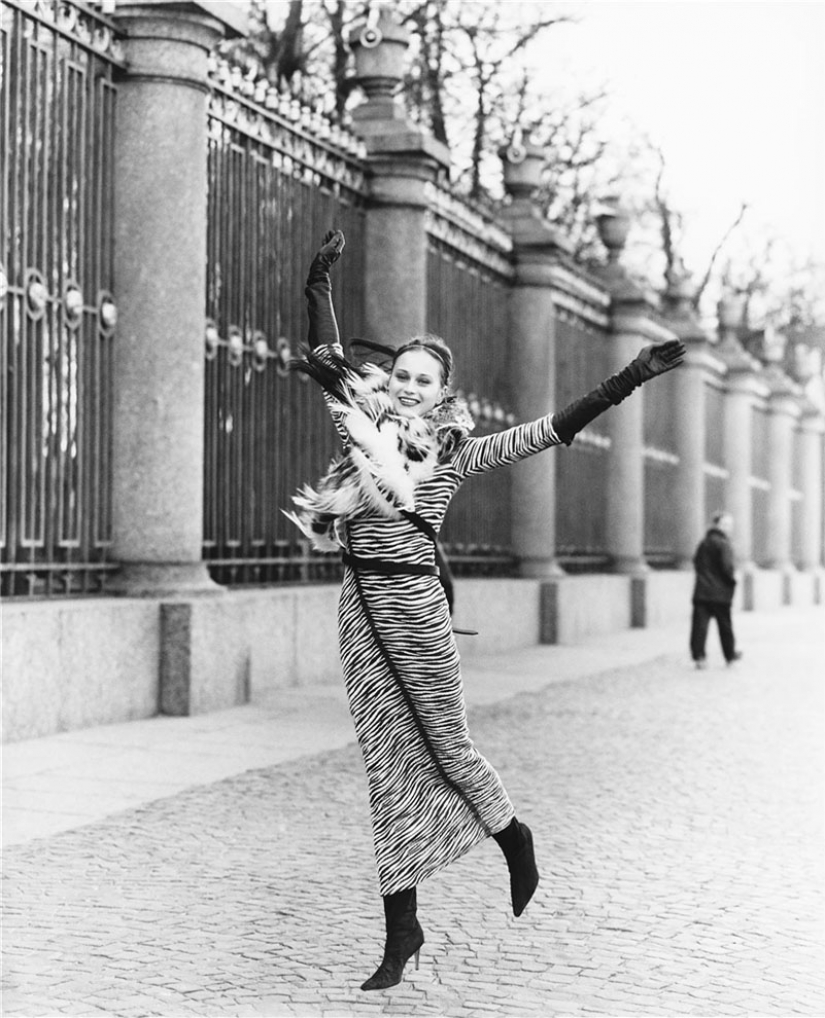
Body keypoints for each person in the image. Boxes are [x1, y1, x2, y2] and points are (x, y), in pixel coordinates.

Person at [286, 231, 685, 992]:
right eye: (399, 374)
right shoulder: (359, 423)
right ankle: (401, 930)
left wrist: (628, 376)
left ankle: (513, 836)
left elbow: (547, 433)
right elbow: (326, 362)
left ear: (441, 392)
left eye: (421, 380)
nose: (405, 386)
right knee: (384, 760)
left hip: (415, 603)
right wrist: (318, 286)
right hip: (360, 602)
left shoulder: (452, 452)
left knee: (444, 745)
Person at [690, 510, 741, 669]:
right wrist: (732, 581)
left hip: (702, 591)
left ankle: (699, 657)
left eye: (730, 525)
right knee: (725, 626)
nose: (729, 528)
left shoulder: (703, 543)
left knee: (700, 626)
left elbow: (696, 562)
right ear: (717, 525)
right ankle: (730, 656)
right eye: (726, 524)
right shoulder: (724, 544)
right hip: (720, 593)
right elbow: (727, 567)